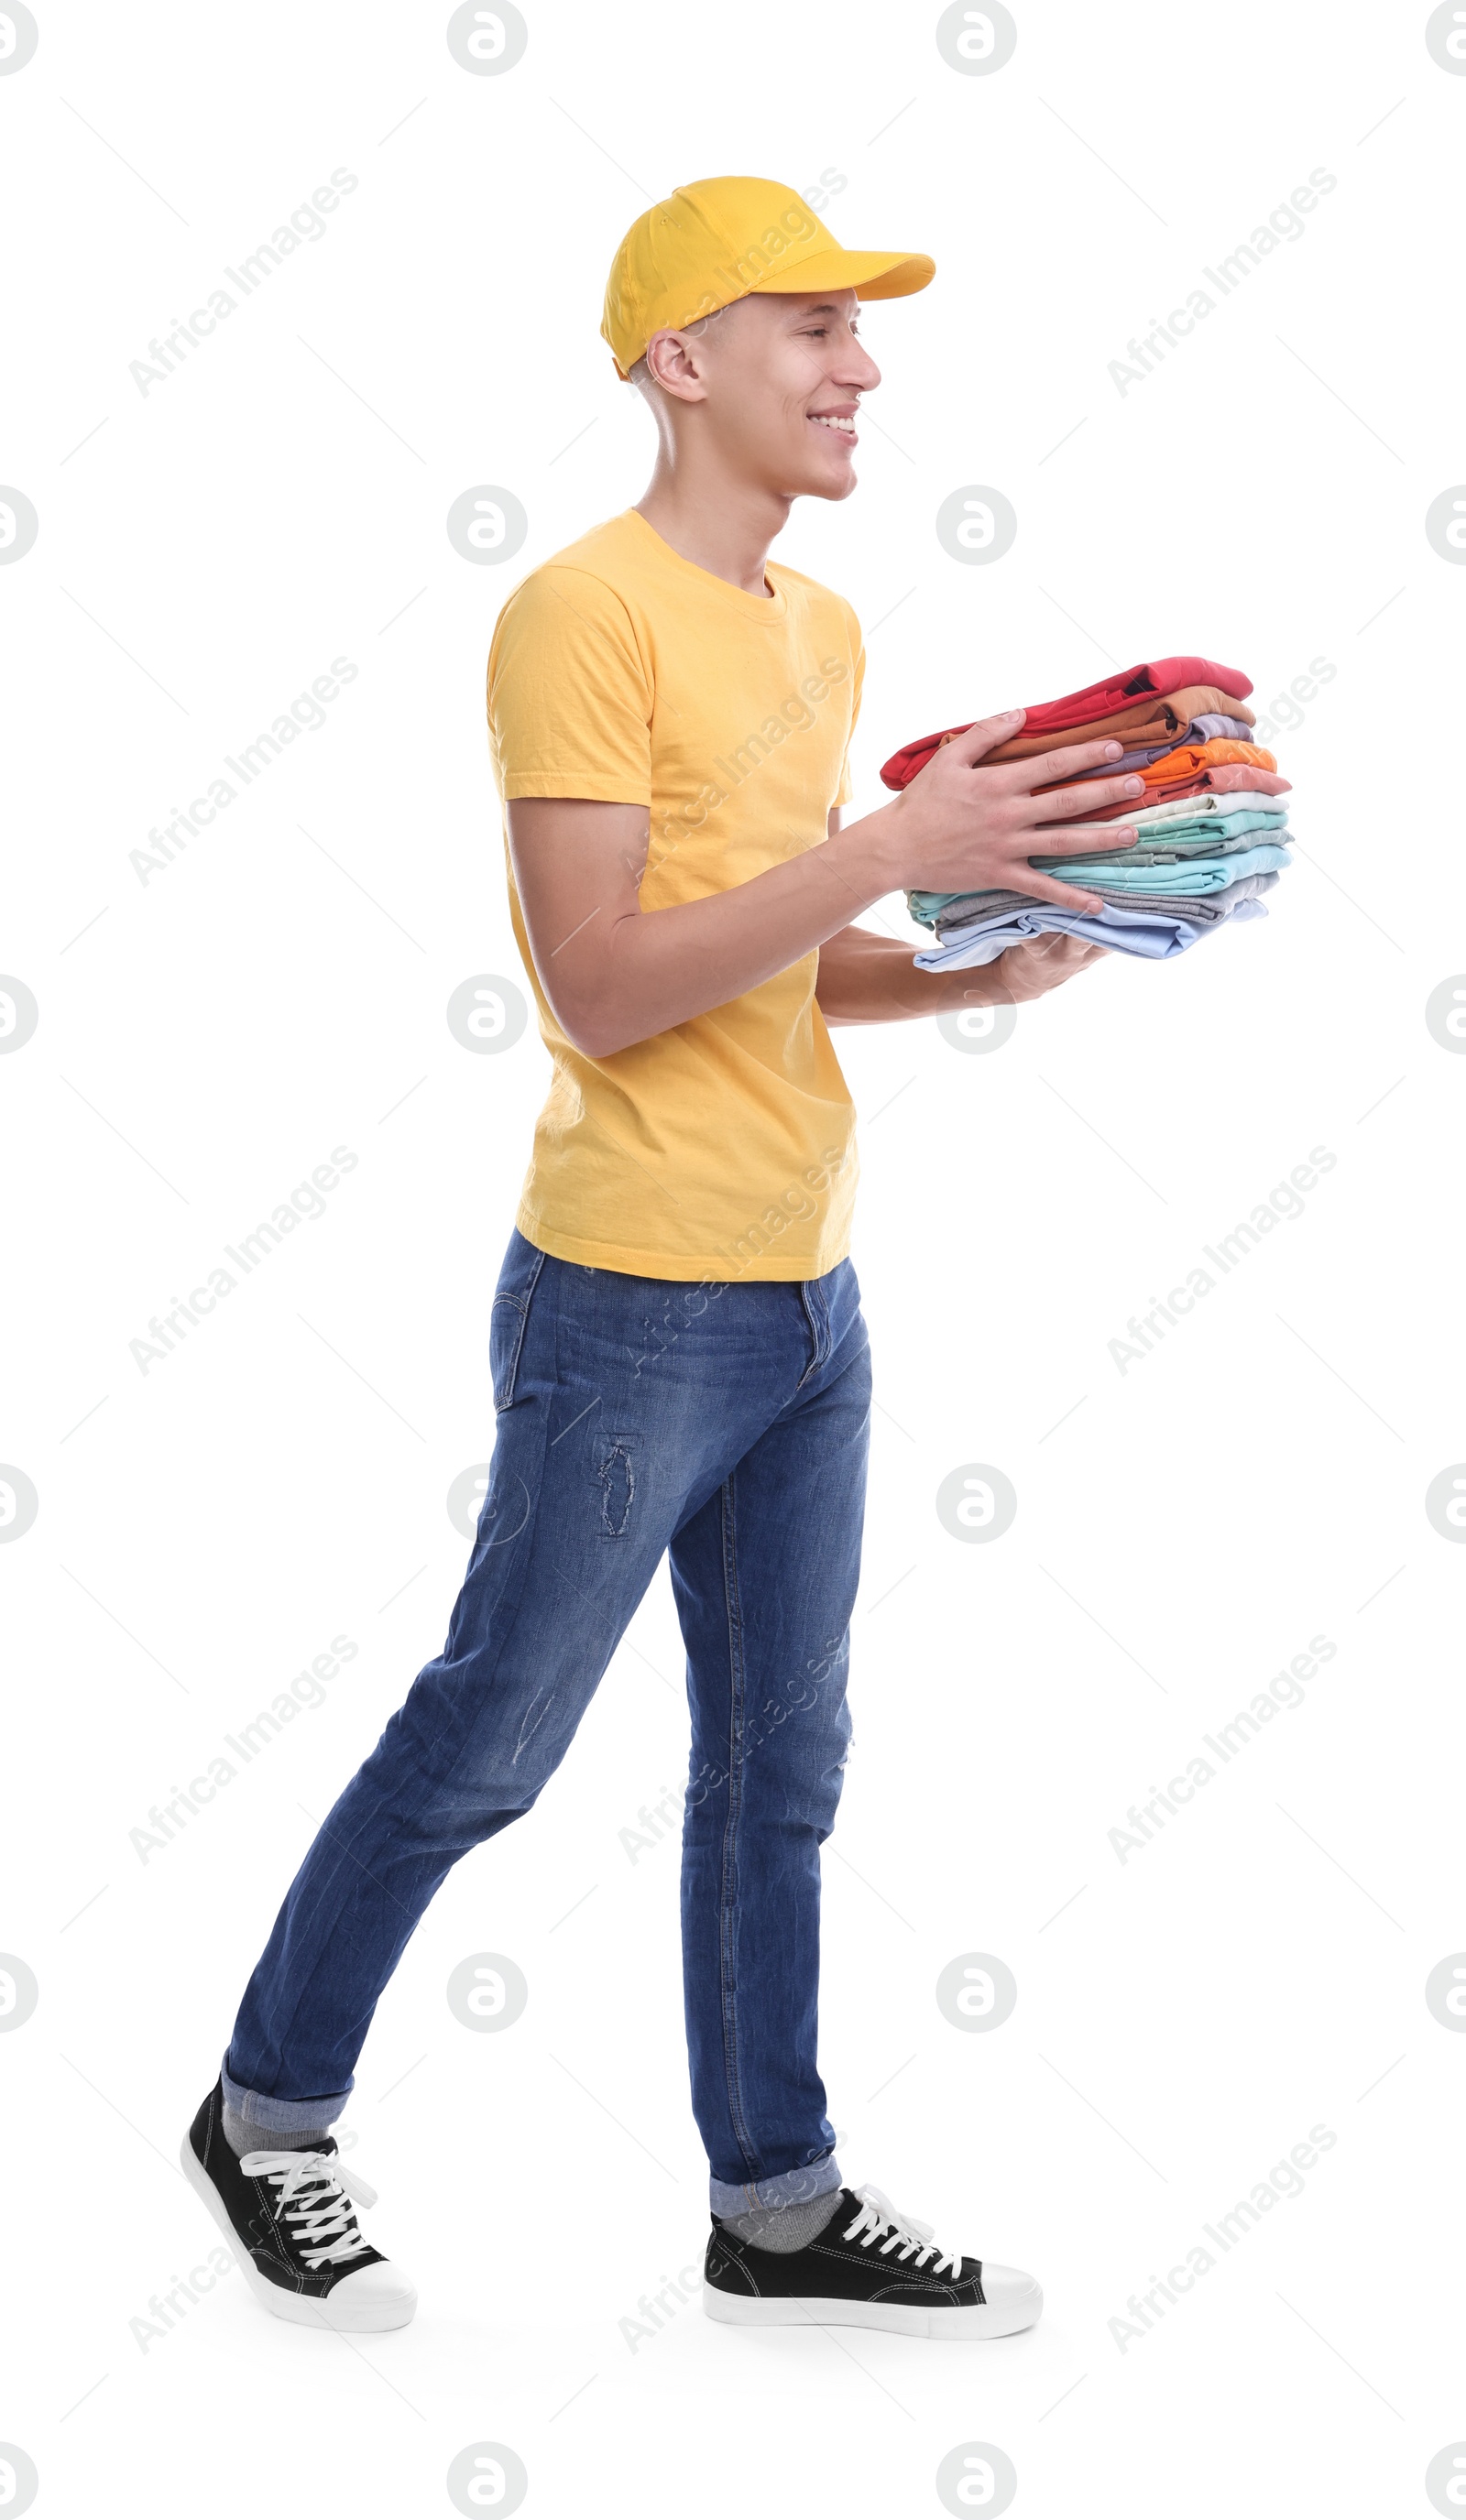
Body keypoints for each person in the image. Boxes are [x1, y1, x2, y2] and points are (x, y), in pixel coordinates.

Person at [181, 174, 1144, 2339]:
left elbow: (774, 965)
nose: (863, 365)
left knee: (779, 1769)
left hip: (810, 1298)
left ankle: (772, 2198)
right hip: (625, 1305)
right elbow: (607, 985)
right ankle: (263, 2110)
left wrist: (971, 966)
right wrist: (895, 847)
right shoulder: (574, 613)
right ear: (677, 360)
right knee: (491, 1738)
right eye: (811, 326)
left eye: (864, 331)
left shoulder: (813, 632)